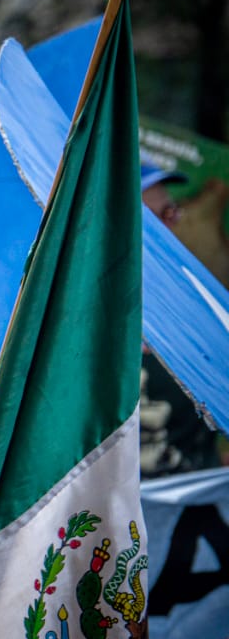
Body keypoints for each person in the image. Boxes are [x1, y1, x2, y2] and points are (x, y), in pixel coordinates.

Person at [136, 163, 223, 477]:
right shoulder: (86, 298)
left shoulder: (195, 292)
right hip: (119, 501)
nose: (169, 227)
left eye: (171, 212)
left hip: (193, 489)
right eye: (154, 217)